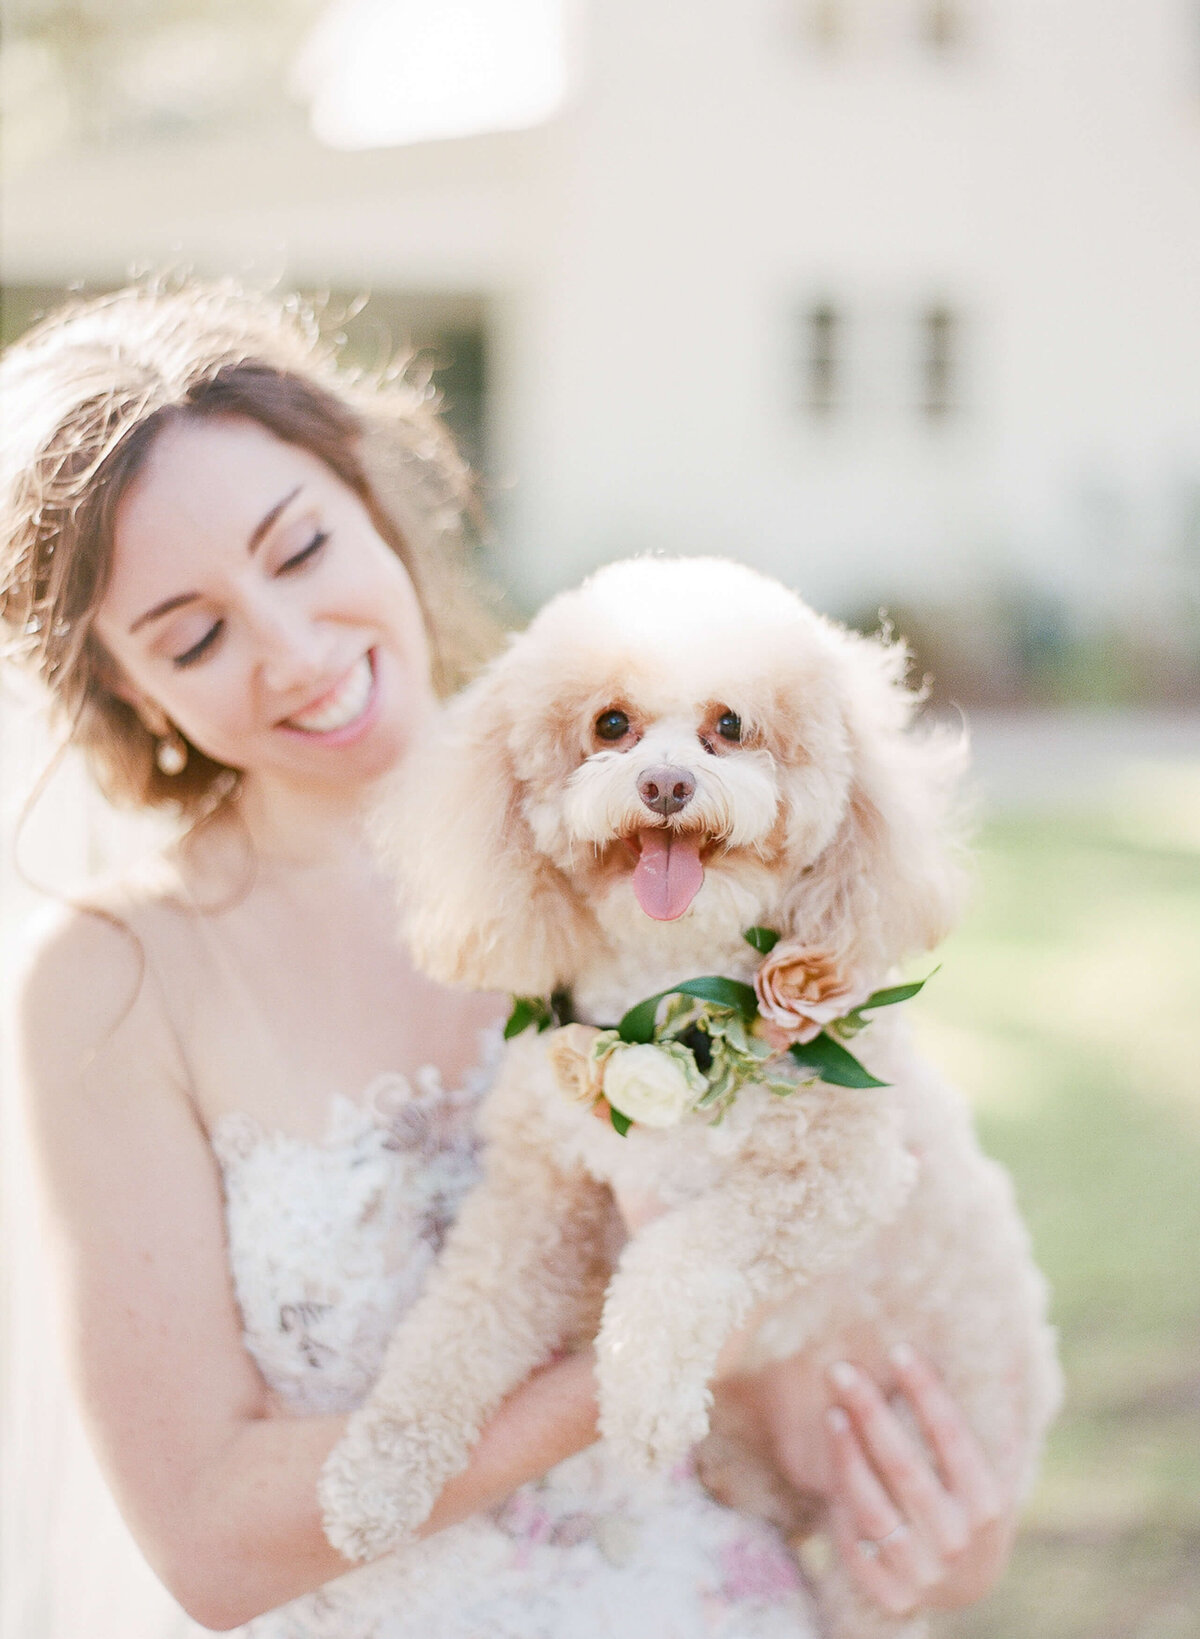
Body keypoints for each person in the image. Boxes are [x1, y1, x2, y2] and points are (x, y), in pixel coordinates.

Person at [0, 282, 1015, 1638]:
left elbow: (858, 1338)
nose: (295, 654)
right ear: (126, 685)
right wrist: (624, 1366)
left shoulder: (663, 786)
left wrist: (937, 1542)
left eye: (299, 551)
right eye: (194, 633)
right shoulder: (109, 982)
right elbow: (207, 1541)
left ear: (366, 494)